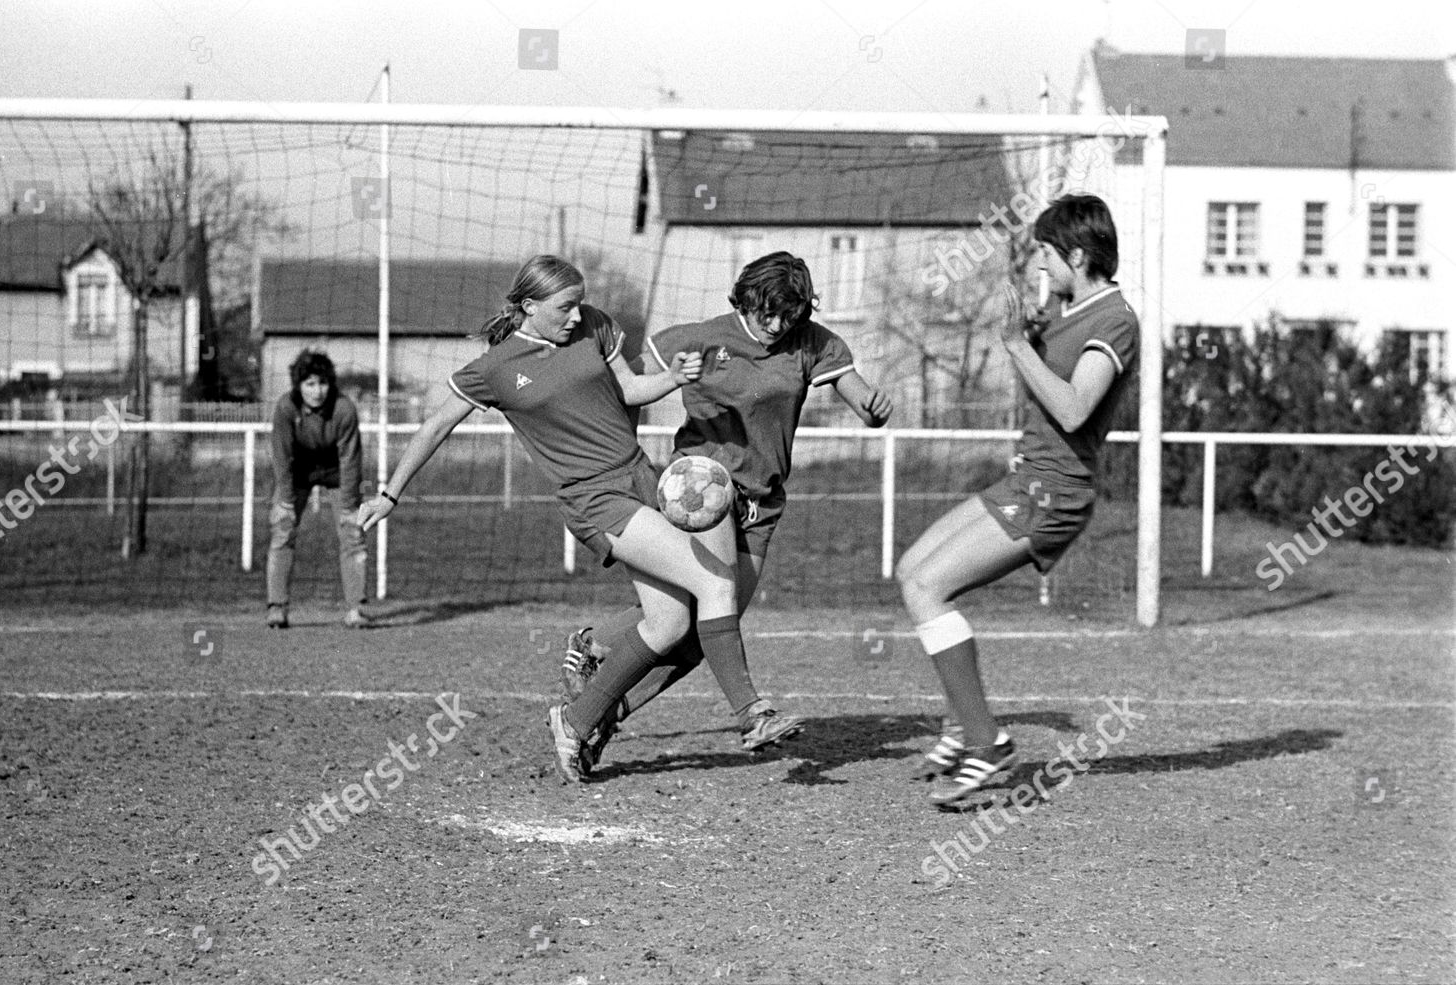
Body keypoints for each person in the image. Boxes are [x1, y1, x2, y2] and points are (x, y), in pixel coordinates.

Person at [358, 254, 770, 786]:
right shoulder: (496, 368)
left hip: (640, 477)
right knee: (716, 582)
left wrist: (671, 378)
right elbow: (435, 426)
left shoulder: (594, 324)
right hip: (594, 499)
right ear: (529, 306)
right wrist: (390, 493)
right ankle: (752, 714)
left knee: (669, 624)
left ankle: (575, 721)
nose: (576, 315)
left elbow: (627, 391)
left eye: (578, 303)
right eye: (564, 306)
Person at [562, 251, 893, 765]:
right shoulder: (700, 337)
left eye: (791, 314)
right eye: (768, 312)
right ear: (746, 298)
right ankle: (752, 713)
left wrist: (873, 409)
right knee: (712, 609)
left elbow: (862, 399)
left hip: (763, 502)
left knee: (707, 629)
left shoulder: (817, 343)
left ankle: (599, 674)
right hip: (704, 488)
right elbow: (630, 386)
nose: (777, 325)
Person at [896, 194, 1138, 807]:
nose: (1041, 268)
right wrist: (1032, 335)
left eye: (1049, 256)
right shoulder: (1067, 309)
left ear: (1079, 256)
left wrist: (1017, 345)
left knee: (930, 589)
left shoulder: (1114, 320)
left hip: (1054, 494)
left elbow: (1076, 408)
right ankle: (963, 723)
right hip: (1026, 479)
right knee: (911, 573)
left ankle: (987, 744)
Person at [266, 349, 370, 630]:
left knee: (352, 532)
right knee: (282, 529)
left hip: (336, 469)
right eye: (310, 384)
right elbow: (281, 456)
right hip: (298, 469)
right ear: (299, 385)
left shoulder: (344, 409)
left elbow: (351, 459)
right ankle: (277, 607)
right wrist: (286, 500)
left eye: (322, 383)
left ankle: (356, 608)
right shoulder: (286, 409)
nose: (317, 391)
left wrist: (349, 505)